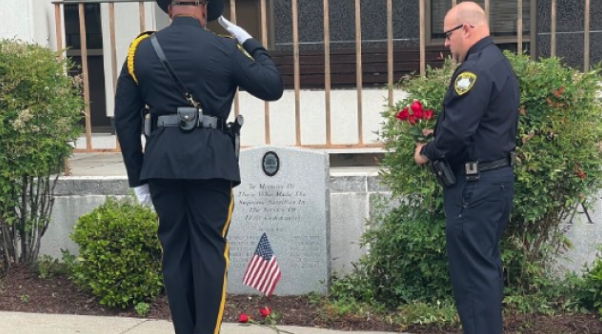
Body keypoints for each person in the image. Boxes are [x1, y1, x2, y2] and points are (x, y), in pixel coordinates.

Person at [114, 0, 283, 333]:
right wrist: (251, 43)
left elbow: (125, 119)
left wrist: (137, 177)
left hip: (162, 165)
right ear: (204, 9)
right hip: (211, 164)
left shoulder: (141, 50)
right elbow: (272, 86)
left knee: (175, 252)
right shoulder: (225, 48)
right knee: (209, 253)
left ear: (169, 9)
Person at [413, 2, 519, 333]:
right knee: (484, 269)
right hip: (495, 179)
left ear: (467, 29)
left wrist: (427, 151)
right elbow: (483, 124)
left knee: (472, 278)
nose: (446, 44)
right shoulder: (499, 64)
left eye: (447, 35)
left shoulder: (473, 70)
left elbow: (457, 133)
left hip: (475, 185)